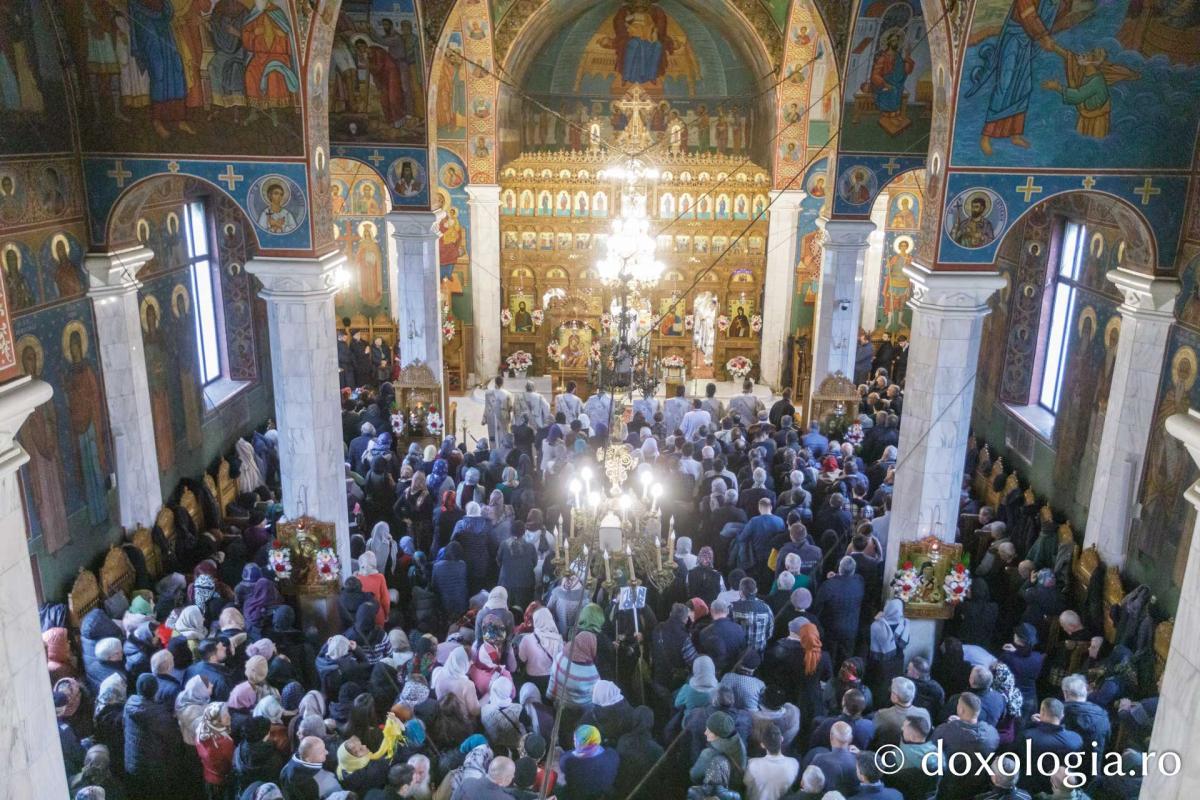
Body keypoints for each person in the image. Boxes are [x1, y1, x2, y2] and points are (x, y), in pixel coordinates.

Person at [558, 726, 619, 800]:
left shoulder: (568, 761)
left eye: (575, 740)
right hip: (603, 794)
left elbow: (564, 765)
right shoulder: (612, 754)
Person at [744, 724, 798, 800]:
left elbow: (746, 782)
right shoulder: (794, 764)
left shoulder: (752, 764)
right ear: (782, 739)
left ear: (762, 745)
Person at [483, 377, 513, 445]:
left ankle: (493, 450)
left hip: (491, 417)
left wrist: (484, 418)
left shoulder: (488, 393)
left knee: (493, 436)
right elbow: (510, 408)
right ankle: (504, 448)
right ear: (502, 383)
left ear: (495, 382)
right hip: (503, 416)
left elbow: (487, 407)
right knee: (504, 434)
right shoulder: (508, 394)